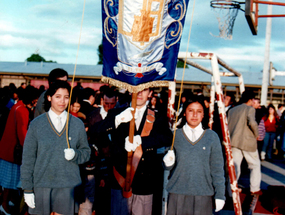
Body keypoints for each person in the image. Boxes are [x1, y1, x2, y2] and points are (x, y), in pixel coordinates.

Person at [93, 88, 173, 215]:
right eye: (136, 90)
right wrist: (117, 120)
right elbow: (95, 131)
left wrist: (143, 141)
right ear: (130, 91)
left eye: (144, 90)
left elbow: (167, 138)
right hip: (120, 179)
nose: (139, 93)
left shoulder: (157, 116)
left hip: (144, 181)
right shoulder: (117, 112)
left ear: (150, 93)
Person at [20, 80, 91, 215]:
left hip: (68, 186)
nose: (62, 101)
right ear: (49, 97)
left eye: (66, 97)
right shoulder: (36, 124)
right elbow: (28, 159)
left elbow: (86, 153)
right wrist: (27, 189)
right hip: (42, 185)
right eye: (58, 96)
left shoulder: (77, 124)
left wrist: (75, 154)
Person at [163, 96, 225, 215]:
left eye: (199, 111)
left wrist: (220, 194)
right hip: (177, 194)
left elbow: (217, 169)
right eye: (191, 110)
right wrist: (167, 162)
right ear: (184, 113)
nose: (195, 115)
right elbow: (167, 167)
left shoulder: (212, 137)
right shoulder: (175, 135)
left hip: (203, 194)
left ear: (203, 115)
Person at [78, 88, 117, 215]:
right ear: (101, 101)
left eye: (112, 104)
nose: (109, 107)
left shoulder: (119, 116)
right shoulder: (92, 117)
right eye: (106, 104)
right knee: (97, 199)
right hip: (97, 166)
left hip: (114, 164)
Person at [0, 87, 38, 215]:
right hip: (13, 151)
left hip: (7, 148)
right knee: (10, 181)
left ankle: (8, 202)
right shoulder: (22, 110)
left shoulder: (17, 106)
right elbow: (22, 132)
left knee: (8, 180)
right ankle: (4, 205)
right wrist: (29, 148)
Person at [228, 90, 261, 195]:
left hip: (234, 140)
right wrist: (257, 134)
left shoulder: (232, 110)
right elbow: (252, 122)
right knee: (254, 165)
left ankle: (230, 190)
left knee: (235, 167)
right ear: (250, 100)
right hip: (247, 142)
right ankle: (254, 189)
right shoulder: (250, 109)